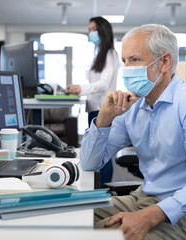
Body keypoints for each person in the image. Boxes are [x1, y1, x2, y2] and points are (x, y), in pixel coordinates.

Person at [80, 24, 186, 240]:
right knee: (68, 215)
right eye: (124, 61)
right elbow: (89, 163)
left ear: (165, 62)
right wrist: (104, 118)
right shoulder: (134, 106)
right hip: (143, 198)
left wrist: (148, 217)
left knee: (103, 235)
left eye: (135, 60)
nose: (127, 68)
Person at [66, 16, 118, 187]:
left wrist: (81, 88)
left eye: (92, 29)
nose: (89, 33)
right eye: (89, 30)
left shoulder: (110, 53)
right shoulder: (99, 53)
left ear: (102, 30)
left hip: (102, 108)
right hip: (94, 108)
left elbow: (103, 83)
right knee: (95, 150)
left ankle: (104, 189)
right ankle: (99, 186)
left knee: (102, 152)